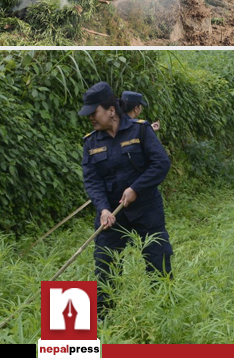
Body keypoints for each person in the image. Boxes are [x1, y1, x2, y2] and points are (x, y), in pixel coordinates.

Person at [78, 82, 172, 318]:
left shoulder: (141, 130)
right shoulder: (91, 143)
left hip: (146, 210)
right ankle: (104, 320)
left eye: (94, 112)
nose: (90, 118)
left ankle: (164, 313)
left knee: (158, 261)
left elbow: (161, 163)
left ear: (111, 110)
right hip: (112, 216)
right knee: (105, 266)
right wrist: (102, 209)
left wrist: (136, 189)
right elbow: (92, 180)